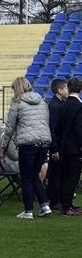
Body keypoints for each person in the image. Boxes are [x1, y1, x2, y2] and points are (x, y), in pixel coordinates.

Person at [0, 77, 51, 219]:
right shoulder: (41, 102)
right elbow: (46, 121)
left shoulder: (17, 103)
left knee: (26, 177)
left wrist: (3, 147)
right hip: (44, 141)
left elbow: (10, 128)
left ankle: (28, 210)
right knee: (35, 175)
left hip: (27, 143)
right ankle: (44, 205)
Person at [55, 76, 82, 216]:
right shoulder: (79, 106)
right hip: (74, 148)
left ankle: (65, 203)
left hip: (64, 146)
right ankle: (67, 206)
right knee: (73, 177)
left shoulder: (63, 105)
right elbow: (79, 129)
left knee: (65, 176)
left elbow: (58, 127)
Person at [46, 79, 69, 209]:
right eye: (66, 88)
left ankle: (60, 198)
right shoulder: (54, 106)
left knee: (61, 172)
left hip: (61, 145)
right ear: (60, 90)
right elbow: (52, 129)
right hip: (57, 146)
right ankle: (55, 201)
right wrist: (54, 149)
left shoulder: (59, 104)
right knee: (56, 174)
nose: (67, 91)